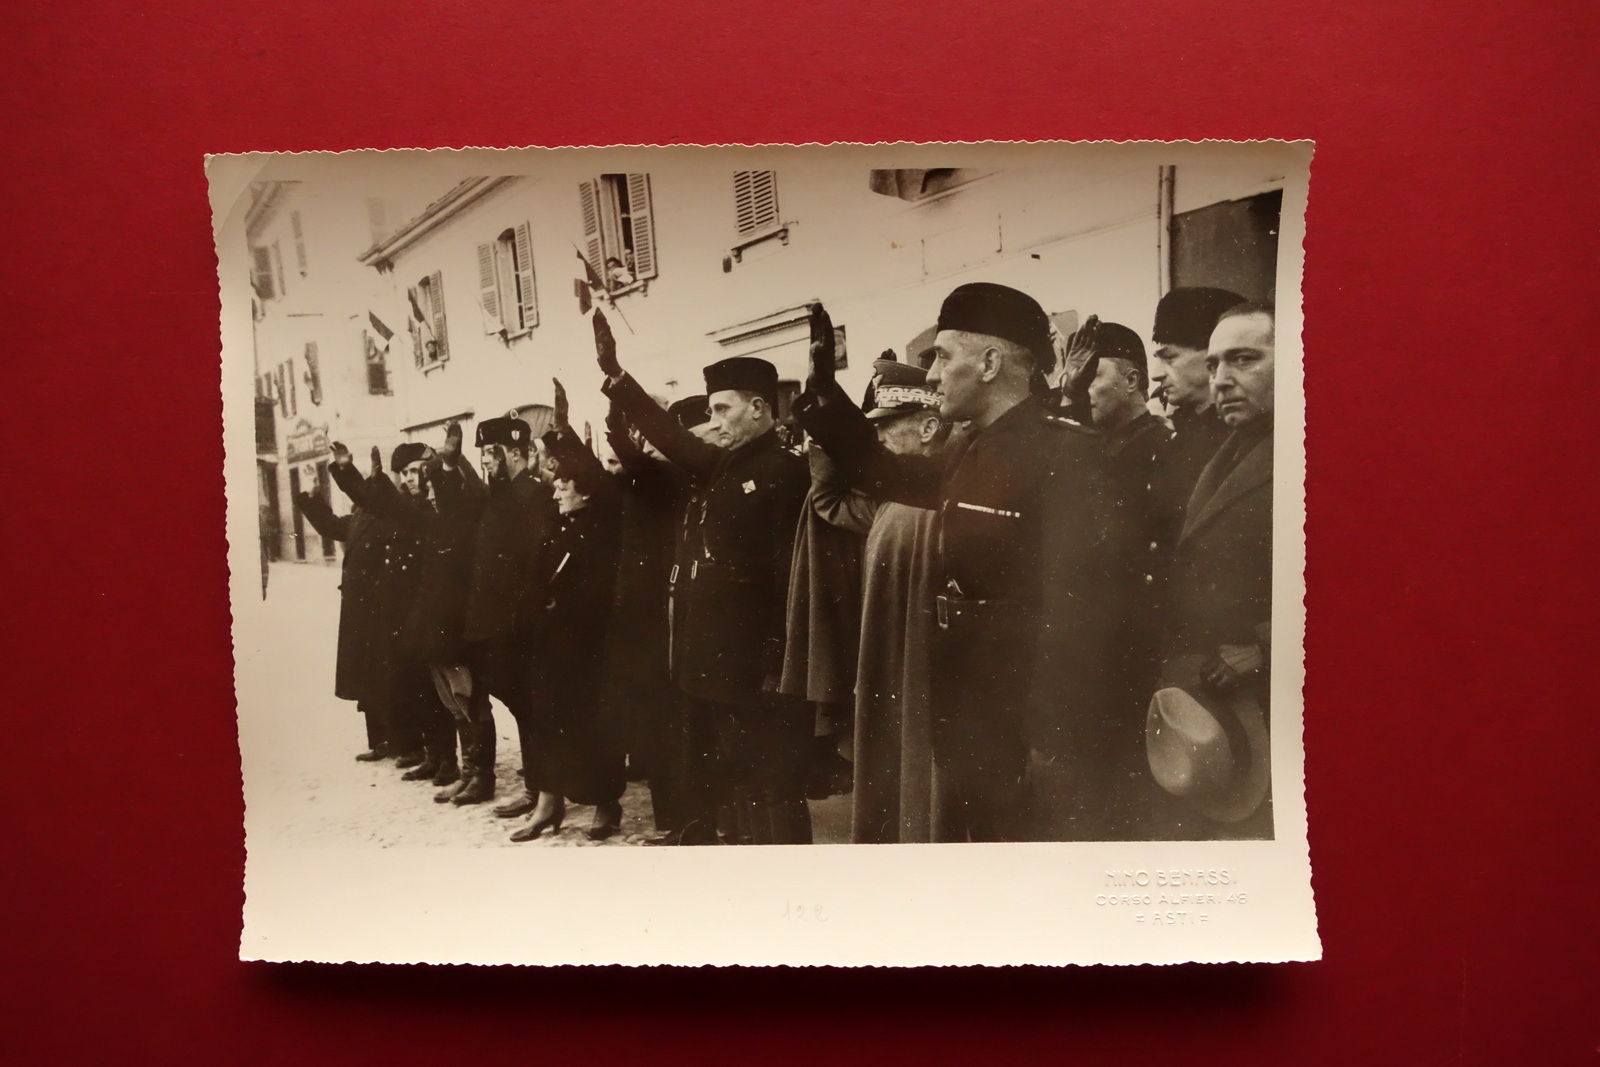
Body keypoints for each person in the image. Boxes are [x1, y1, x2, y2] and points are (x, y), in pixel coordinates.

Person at [794, 287, 1121, 841]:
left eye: (944, 357)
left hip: (1024, 729)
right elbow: (884, 473)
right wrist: (826, 397)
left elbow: (1081, 614)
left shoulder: (1066, 455)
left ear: (990, 364)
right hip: (973, 715)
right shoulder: (973, 449)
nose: (932, 376)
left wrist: (1051, 744)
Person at [593, 309, 814, 845]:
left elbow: (789, 579)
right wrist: (618, 379)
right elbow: (670, 438)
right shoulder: (724, 464)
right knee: (722, 777)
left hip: (754, 667)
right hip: (711, 660)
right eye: (710, 410)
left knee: (771, 784)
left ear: (758, 408)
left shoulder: (784, 472)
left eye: (722, 409)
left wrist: (774, 661)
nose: (713, 421)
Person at [809, 358, 958, 842]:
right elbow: (828, 500)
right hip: (889, 673)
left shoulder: (951, 491)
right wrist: (828, 431)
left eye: (887, 428)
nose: (876, 440)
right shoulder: (886, 500)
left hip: (932, 675)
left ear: (929, 427)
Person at [1151, 301, 1277, 840]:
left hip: (1281, 705)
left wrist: (1267, 646)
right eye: (1212, 364)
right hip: (1222, 702)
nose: (1221, 380)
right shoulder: (1233, 447)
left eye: (1244, 359)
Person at [1069, 317, 1179, 835]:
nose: (1083, 388)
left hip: (1131, 652)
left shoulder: (1158, 448)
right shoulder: (1095, 444)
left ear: (1133, 381)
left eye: (1094, 375)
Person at [599, 393, 722, 846]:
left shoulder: (669, 476)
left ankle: (681, 820)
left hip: (663, 619)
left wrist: (619, 417)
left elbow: (638, 462)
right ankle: (674, 819)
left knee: (670, 727)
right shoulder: (653, 475)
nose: (648, 445)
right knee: (658, 726)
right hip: (646, 620)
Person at [330, 439, 483, 790]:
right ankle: (435, 755)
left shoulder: (433, 509)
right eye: (405, 473)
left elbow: (387, 503)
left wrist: (365, 478)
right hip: (409, 616)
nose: (410, 478)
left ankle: (453, 762)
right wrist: (347, 470)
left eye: (415, 472)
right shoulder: (411, 507)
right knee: (419, 691)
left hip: (434, 614)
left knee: (448, 695)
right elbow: (377, 502)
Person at [509, 408, 626, 842]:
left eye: (564, 486)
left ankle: (606, 804)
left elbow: (595, 595)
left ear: (586, 492)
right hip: (550, 646)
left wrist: (566, 435)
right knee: (546, 724)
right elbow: (535, 580)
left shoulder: (602, 530)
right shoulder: (557, 528)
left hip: (589, 649)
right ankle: (547, 804)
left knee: (595, 726)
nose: (556, 491)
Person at [442, 414, 559, 814]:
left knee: (531, 708)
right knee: (523, 708)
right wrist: (451, 465)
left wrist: (519, 619)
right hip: (494, 625)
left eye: (491, 454)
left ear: (514, 453)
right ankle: (537, 789)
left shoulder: (535, 495)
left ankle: (540, 792)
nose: (486, 461)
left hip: (516, 627)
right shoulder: (500, 494)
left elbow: (533, 566)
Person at [292, 445, 400, 761]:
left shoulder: (387, 515)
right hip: (360, 611)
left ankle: (398, 741)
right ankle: (379, 742)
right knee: (366, 676)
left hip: (381, 609)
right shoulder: (360, 516)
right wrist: (312, 497)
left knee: (384, 676)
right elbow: (329, 526)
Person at [1149, 287, 1243, 542]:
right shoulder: (1182, 433)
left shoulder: (1237, 440)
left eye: (1169, 357)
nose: (1156, 373)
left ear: (1212, 354)